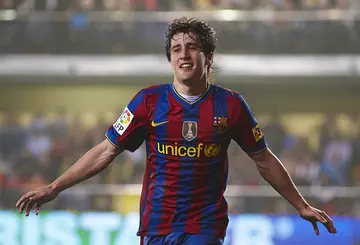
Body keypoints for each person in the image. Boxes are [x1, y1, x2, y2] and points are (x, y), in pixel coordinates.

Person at [15, 17, 337, 245]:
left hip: (205, 226)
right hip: (156, 227)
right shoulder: (148, 102)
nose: (183, 54)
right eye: (176, 49)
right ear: (170, 59)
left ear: (208, 57)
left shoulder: (232, 106)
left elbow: (264, 160)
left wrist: (300, 205)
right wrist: (55, 187)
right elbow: (105, 151)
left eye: (192, 47)